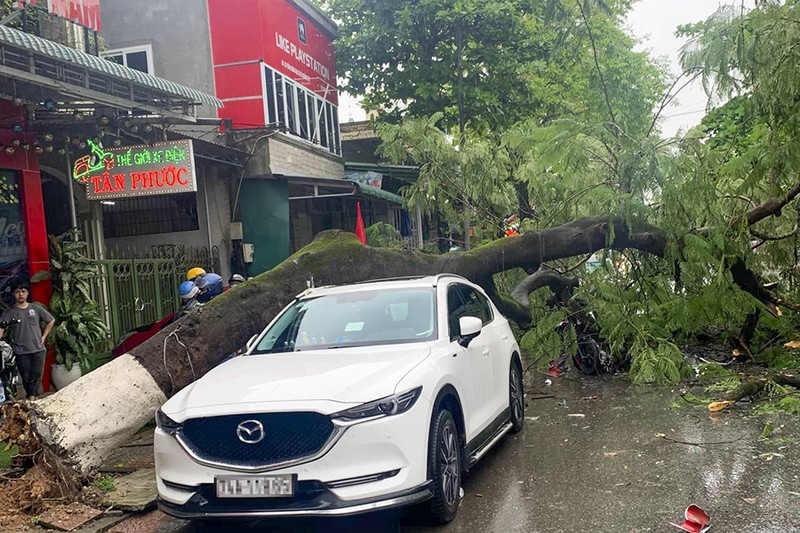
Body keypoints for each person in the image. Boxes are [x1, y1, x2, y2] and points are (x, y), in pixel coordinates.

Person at [0, 281, 55, 400]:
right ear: (13, 294)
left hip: (38, 349)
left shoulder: (35, 308)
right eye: (17, 292)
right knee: (26, 377)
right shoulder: (9, 313)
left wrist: (44, 336)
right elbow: (1, 327)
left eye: (23, 291)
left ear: (27, 293)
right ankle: (31, 398)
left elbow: (51, 320)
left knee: (36, 377)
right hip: (21, 351)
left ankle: (32, 399)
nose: (21, 294)